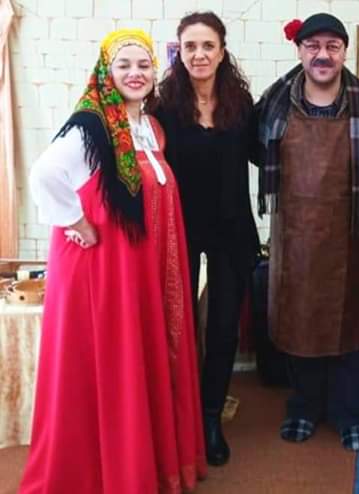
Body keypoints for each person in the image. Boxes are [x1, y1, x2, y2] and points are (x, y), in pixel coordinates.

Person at [20, 29, 206, 493]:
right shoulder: (91, 126)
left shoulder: (150, 128)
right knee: (107, 365)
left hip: (138, 269)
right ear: (106, 72)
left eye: (143, 65)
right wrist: (75, 221)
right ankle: (108, 473)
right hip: (102, 271)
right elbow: (45, 174)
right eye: (124, 65)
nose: (135, 73)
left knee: (141, 358)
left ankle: (146, 461)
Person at [256, 12, 359, 451]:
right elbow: (253, 150)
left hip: (353, 235)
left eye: (332, 47)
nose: (322, 55)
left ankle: (351, 413)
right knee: (299, 323)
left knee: (353, 324)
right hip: (294, 235)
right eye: (313, 46)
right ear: (299, 50)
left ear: (344, 52)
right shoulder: (276, 100)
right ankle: (304, 407)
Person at [152, 11, 260, 467]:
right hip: (181, 229)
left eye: (207, 46)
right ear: (179, 52)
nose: (199, 54)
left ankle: (211, 416)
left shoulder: (240, 103)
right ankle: (181, 415)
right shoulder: (163, 107)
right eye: (190, 46)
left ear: (221, 52)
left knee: (223, 326)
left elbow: (266, 153)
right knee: (178, 325)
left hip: (232, 229)